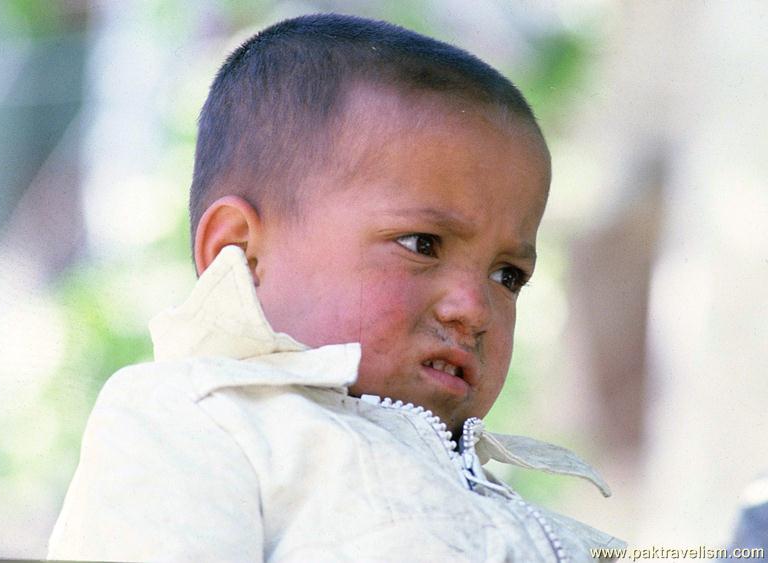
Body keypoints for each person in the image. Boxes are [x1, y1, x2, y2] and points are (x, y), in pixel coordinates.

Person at [48, 13, 625, 561]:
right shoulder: (204, 423)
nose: (473, 310)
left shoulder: (504, 501)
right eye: (423, 244)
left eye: (508, 276)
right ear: (241, 253)